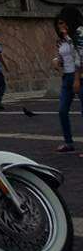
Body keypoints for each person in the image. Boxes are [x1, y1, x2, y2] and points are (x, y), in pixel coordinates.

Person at [53, 8, 83, 154]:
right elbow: (63, 57)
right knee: (62, 110)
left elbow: (79, 56)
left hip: (80, 76)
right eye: (58, 24)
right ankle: (68, 142)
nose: (61, 27)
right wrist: (58, 61)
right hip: (67, 77)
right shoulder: (60, 41)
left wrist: (77, 79)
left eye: (63, 23)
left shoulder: (78, 36)